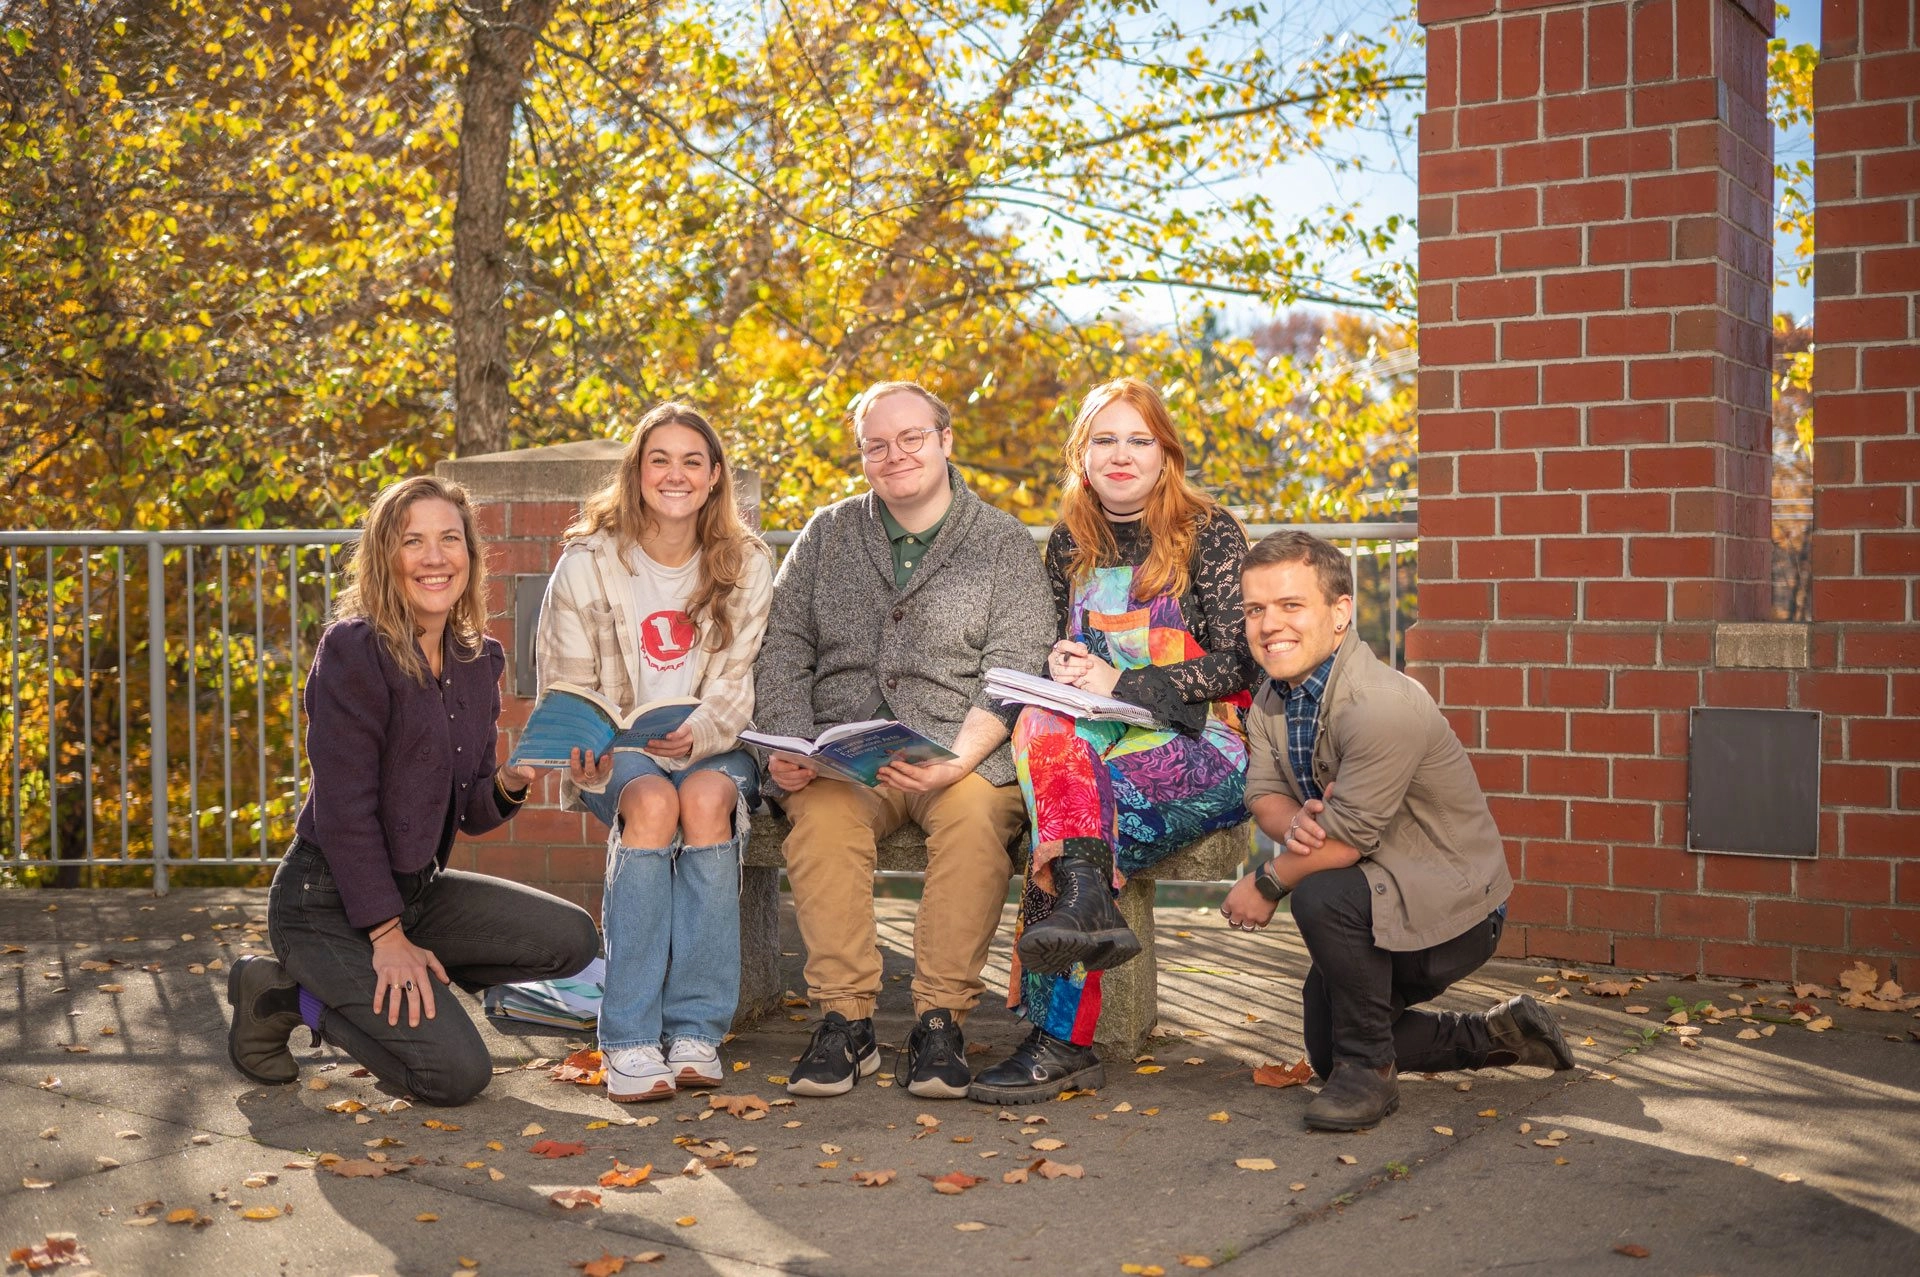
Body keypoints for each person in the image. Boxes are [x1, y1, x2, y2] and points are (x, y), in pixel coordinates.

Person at [227, 476, 600, 1105]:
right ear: (385, 557)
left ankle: (412, 986)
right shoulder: (353, 650)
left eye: (450, 539)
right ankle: (289, 996)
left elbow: (471, 812)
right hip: (326, 905)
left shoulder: (479, 659)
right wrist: (386, 937)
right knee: (454, 1076)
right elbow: (346, 811)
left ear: (470, 556)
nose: (435, 558)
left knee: (574, 939)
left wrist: (512, 780)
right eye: (414, 542)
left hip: (416, 893)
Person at [754, 380, 1053, 1100]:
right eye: (876, 445)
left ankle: (939, 1020)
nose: (896, 455)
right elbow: (783, 647)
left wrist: (961, 757)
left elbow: (1014, 668)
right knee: (820, 820)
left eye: (912, 437)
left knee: (979, 821)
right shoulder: (826, 534)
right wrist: (788, 745)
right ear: (862, 457)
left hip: (962, 753)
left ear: (946, 441)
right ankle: (844, 1019)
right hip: (846, 757)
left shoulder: (1004, 542)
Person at [1219, 530, 1575, 1132]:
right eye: (1255, 609)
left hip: (1448, 908)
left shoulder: (1380, 703)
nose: (1268, 624)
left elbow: (1350, 839)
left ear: (1340, 612)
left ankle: (1371, 1077)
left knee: (1318, 896)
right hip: (1373, 892)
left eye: (1290, 605)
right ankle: (1499, 1034)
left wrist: (1269, 879)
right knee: (1327, 1049)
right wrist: (1300, 824)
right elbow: (1263, 794)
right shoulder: (1272, 700)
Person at [968, 377, 1258, 1103]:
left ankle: (1059, 1039)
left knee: (1071, 828)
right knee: (1040, 723)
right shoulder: (1072, 539)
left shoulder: (1209, 531)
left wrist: (1123, 683)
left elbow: (1240, 663)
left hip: (1202, 745)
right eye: (1106, 439)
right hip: (1098, 740)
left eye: (1139, 439)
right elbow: (1067, 661)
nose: (1121, 454)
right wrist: (1063, 666)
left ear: (1166, 454)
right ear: (1082, 454)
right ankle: (1085, 908)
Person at [533, 402, 774, 1103]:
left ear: (714, 476)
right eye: (659, 459)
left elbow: (740, 683)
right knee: (651, 801)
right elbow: (566, 681)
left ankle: (696, 1028)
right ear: (637, 472)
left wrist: (698, 734)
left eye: (692, 461)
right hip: (625, 752)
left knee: (702, 797)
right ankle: (631, 1036)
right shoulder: (587, 563)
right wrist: (585, 746)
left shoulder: (747, 561)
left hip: (714, 744)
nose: (675, 474)